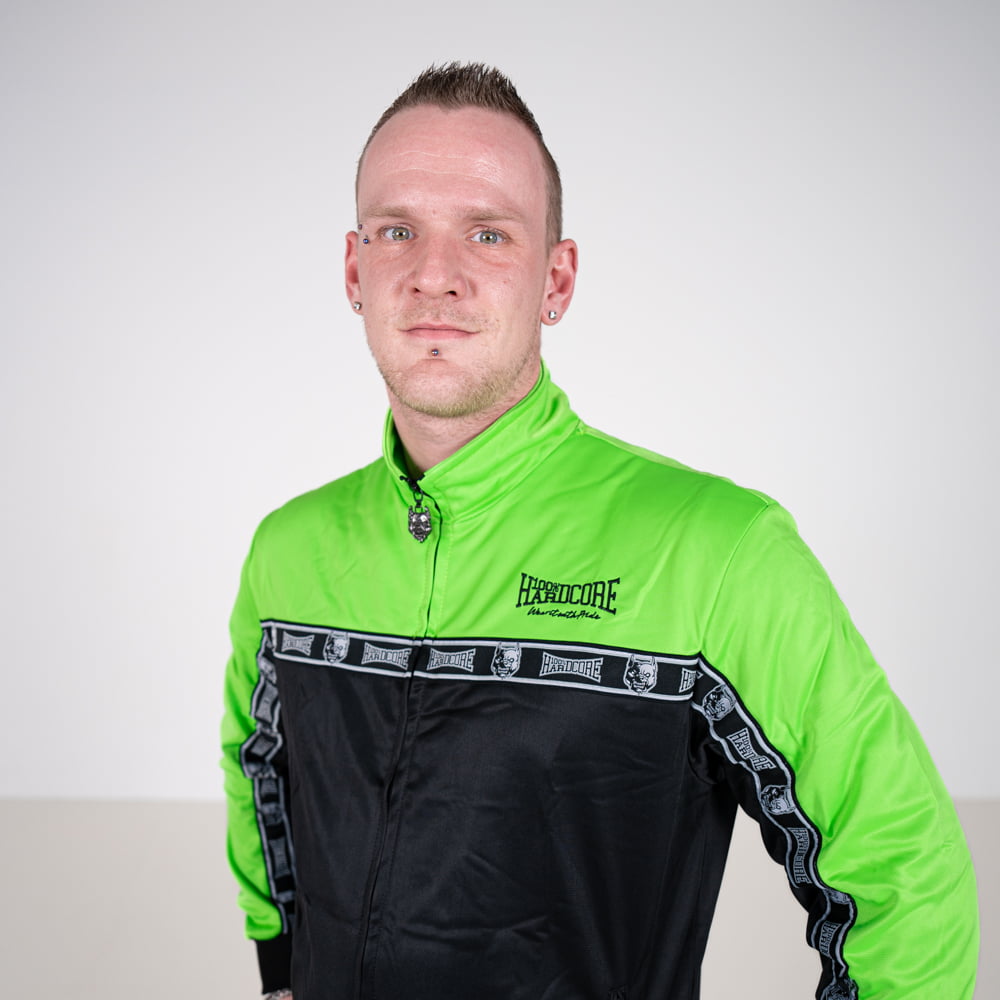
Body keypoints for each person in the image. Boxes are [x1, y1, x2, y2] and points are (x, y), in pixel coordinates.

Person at [221, 63, 978, 1000]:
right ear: (353, 270)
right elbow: (260, 780)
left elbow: (903, 876)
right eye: (397, 231)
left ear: (557, 279)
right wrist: (281, 972)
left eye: (488, 233)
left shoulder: (717, 550)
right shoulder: (288, 550)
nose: (434, 275)